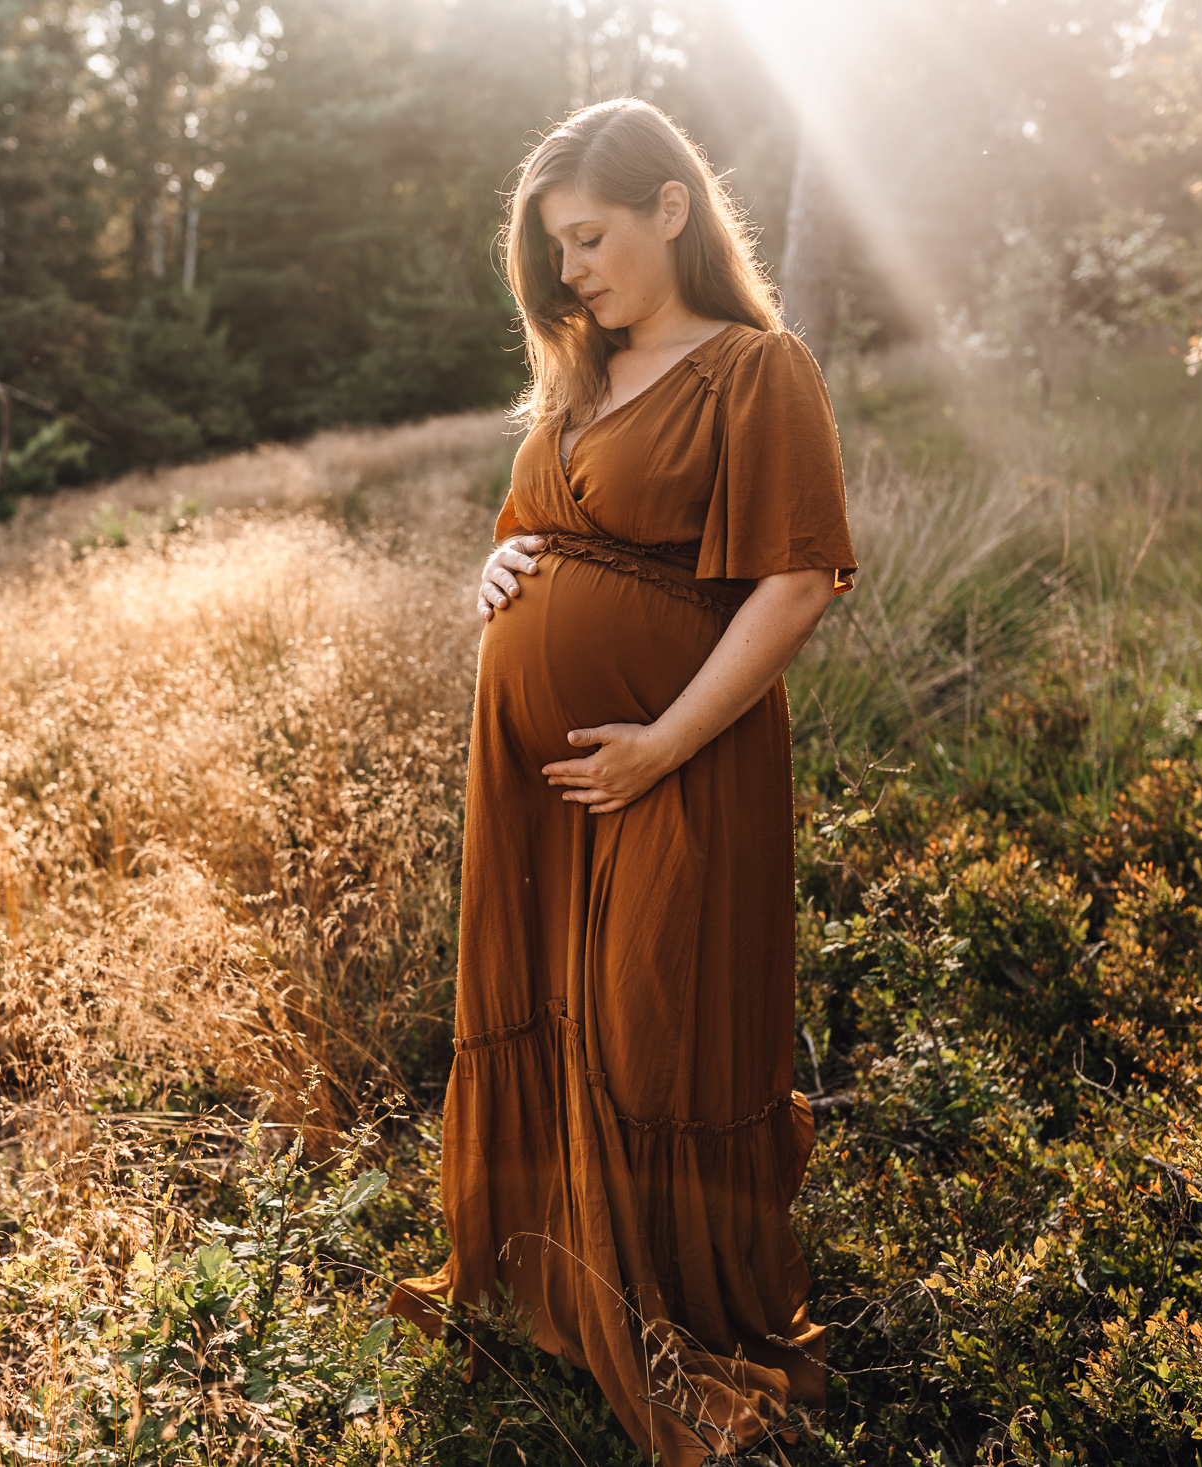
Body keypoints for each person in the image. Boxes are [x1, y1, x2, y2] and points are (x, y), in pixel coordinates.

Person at [391, 97, 857, 1465]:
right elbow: (535, 527)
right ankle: (560, 1278)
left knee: (648, 1016)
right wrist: (496, 568)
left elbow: (798, 581)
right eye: (553, 255)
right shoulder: (581, 384)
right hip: (543, 779)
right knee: (549, 997)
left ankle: (671, 1311)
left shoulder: (758, 370)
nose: (572, 273)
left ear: (671, 207)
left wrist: (664, 743)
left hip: (676, 760)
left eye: (588, 239)